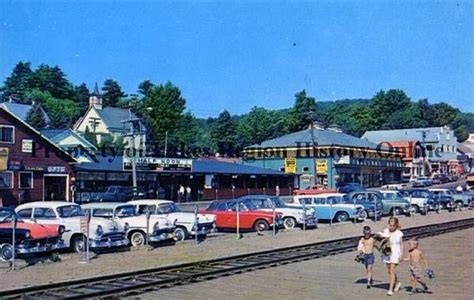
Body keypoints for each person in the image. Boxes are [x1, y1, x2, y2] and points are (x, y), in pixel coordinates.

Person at [377, 216, 403, 296]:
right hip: (387, 252)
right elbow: (381, 239)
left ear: (396, 225)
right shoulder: (386, 231)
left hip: (395, 252)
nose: (391, 227)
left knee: (392, 270)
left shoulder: (399, 233)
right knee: (389, 270)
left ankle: (390, 289)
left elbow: (401, 244)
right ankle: (397, 282)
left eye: (393, 226)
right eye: (390, 225)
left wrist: (401, 254)